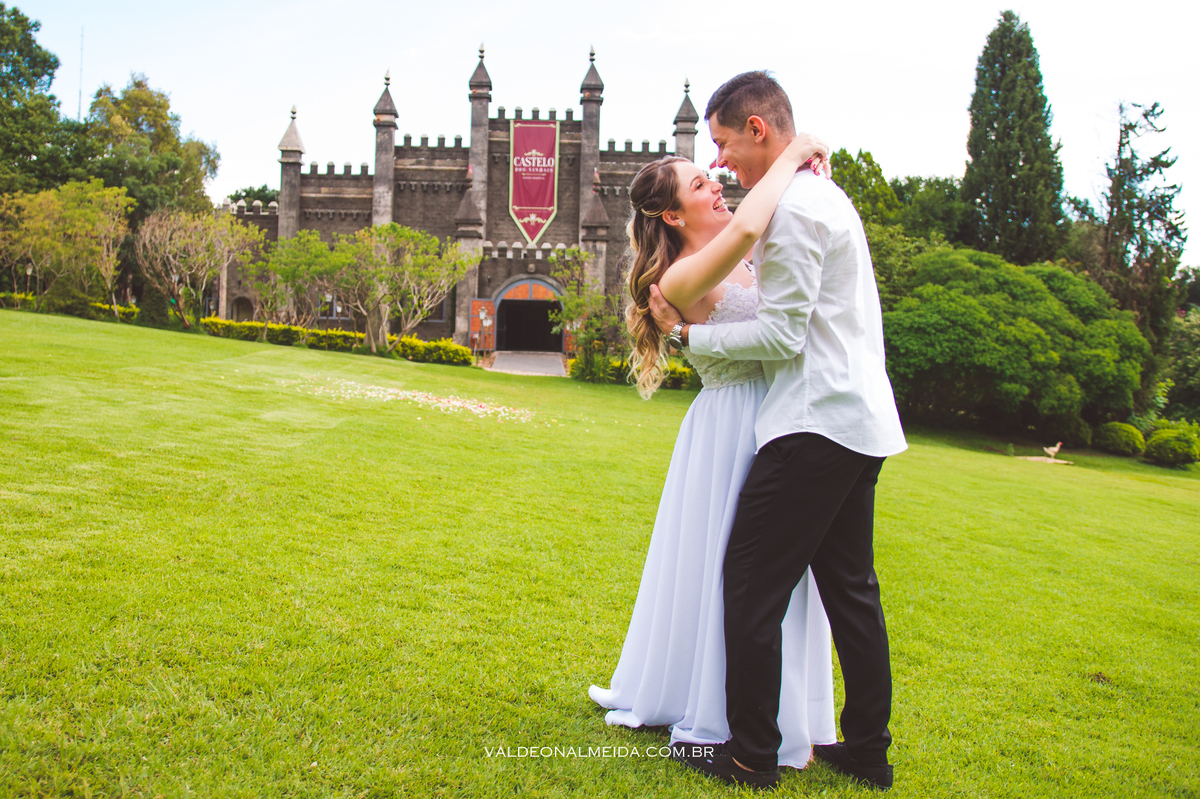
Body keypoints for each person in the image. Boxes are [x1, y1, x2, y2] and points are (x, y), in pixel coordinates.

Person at [649, 71, 907, 791]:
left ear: (758, 130)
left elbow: (785, 334)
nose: (723, 162)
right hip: (861, 418)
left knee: (750, 584)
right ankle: (867, 749)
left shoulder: (793, 209)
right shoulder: (828, 195)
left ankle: (749, 754)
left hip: (813, 424)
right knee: (851, 587)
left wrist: (692, 343)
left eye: (725, 144)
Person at [588, 132, 836, 772]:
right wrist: (789, 156)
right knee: (729, 567)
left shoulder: (739, 257)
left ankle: (779, 709)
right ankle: (721, 705)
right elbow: (757, 232)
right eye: (701, 183)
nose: (716, 184)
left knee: (774, 573)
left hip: (779, 417)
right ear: (672, 214)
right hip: (733, 425)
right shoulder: (688, 274)